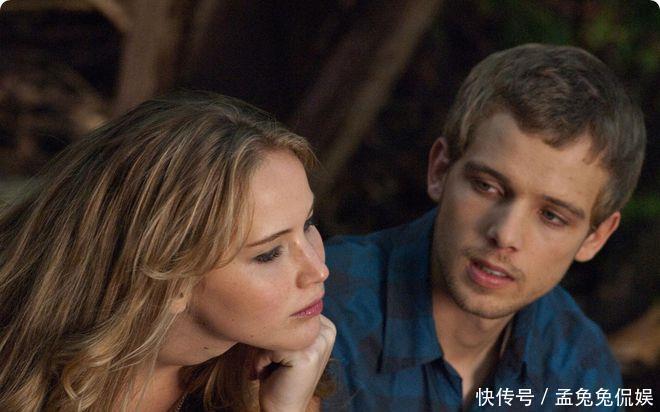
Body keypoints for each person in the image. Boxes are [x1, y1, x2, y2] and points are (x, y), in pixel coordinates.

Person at [322, 44, 646, 411]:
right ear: (440, 170)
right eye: (487, 187)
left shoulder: (581, 368)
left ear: (596, 237)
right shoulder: (321, 304)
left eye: (552, 216)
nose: (505, 235)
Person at [0, 91, 335, 411]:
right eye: (269, 253)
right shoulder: (15, 376)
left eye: (307, 224)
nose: (319, 270)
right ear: (169, 276)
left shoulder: (279, 371)